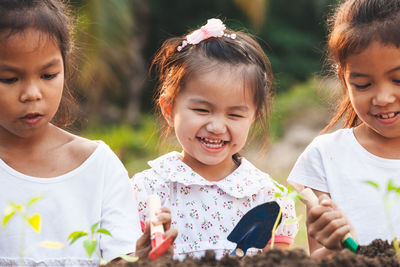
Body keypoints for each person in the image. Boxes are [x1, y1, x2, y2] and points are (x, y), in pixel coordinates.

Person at [0, 1, 176, 266]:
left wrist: (140, 259)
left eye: (48, 75)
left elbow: (120, 258)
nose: (32, 94)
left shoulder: (97, 167)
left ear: (65, 68)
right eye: (10, 79)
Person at [131, 18, 298, 260]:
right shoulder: (146, 192)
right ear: (169, 110)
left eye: (235, 114)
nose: (217, 127)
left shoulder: (268, 199)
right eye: (202, 110)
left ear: (253, 117)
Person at [287, 0, 400, 258]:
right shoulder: (326, 156)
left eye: (398, 79)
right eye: (362, 84)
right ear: (344, 80)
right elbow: (318, 257)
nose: (382, 97)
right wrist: (336, 248)